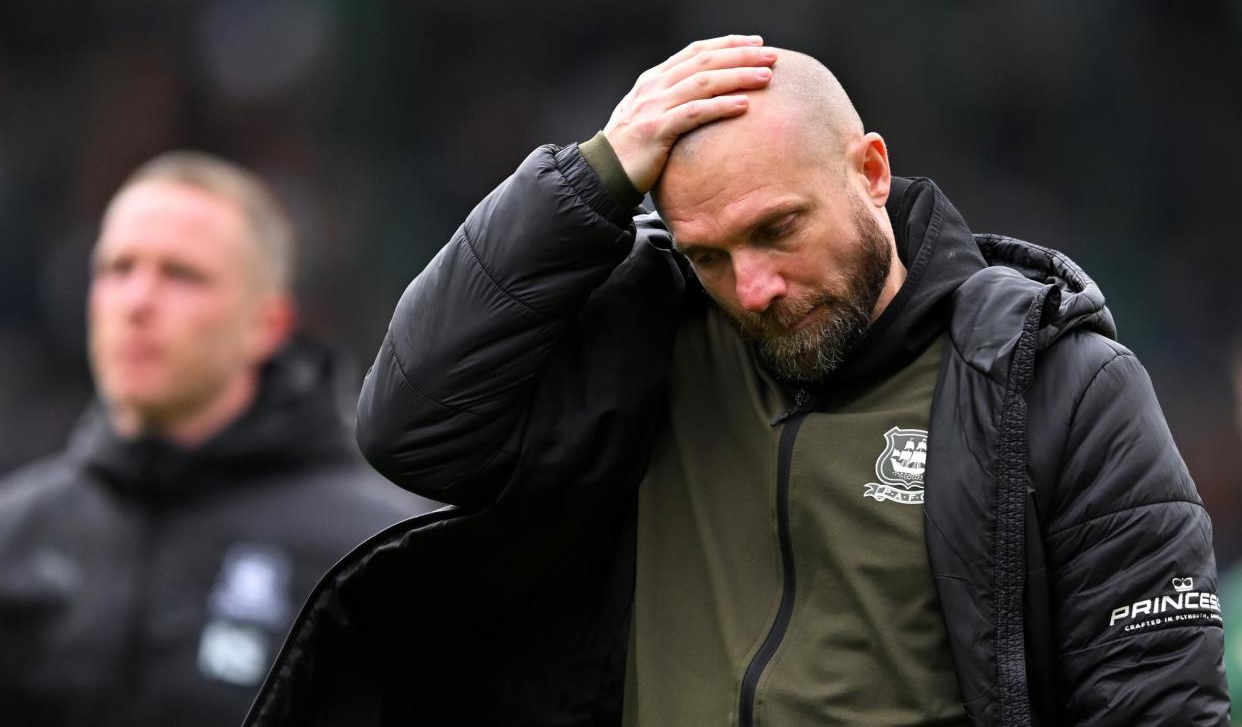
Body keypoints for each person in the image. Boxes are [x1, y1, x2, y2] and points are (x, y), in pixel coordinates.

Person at [245, 36, 1229, 726]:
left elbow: (1157, 703)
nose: (753, 287)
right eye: (709, 253)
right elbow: (410, 426)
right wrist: (589, 179)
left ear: (872, 171)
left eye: (778, 229)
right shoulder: (648, 346)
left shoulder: (1059, 387)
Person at [0, 151, 438, 726]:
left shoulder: (378, 552)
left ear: (268, 325)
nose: (137, 303)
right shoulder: (16, 533)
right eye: (117, 269)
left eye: (182, 275)